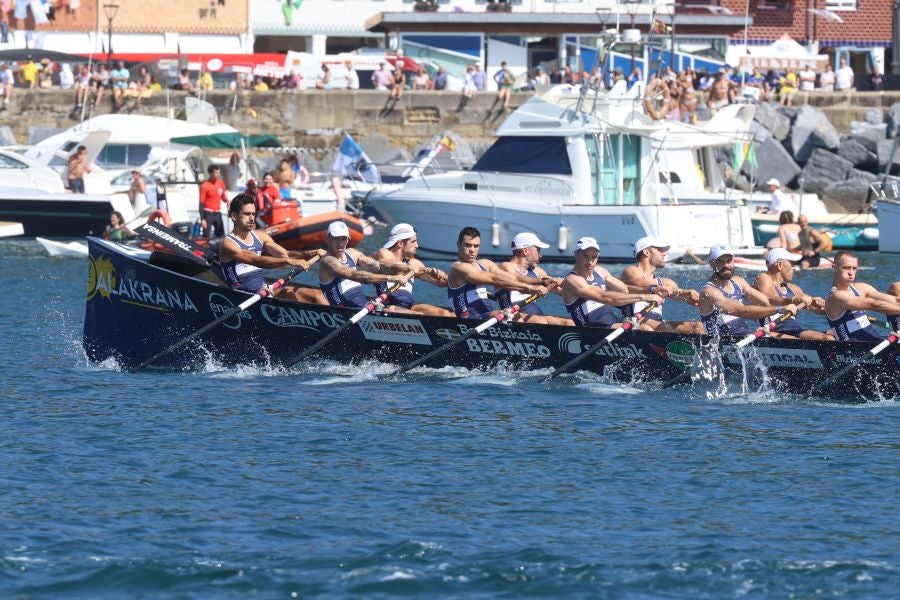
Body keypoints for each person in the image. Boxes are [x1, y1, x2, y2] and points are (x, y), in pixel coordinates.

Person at [219, 195, 325, 303]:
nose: (251, 218)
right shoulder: (228, 244)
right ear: (234, 216)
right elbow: (256, 261)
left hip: (263, 292)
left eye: (253, 214)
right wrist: (287, 261)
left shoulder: (261, 236)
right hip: (242, 298)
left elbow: (286, 254)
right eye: (247, 214)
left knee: (317, 295)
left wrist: (311, 253)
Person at [447, 227, 548, 320]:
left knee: (558, 322)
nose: (472, 250)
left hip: (487, 316)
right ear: (458, 244)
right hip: (469, 319)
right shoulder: (458, 267)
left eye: (476, 246)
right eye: (468, 245)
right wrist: (530, 288)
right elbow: (494, 279)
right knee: (512, 316)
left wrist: (541, 281)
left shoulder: (485, 263)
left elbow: (514, 277)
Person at [561, 237, 663, 328]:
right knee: (645, 329)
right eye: (586, 256)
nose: (590, 262)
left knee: (647, 328)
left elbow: (625, 289)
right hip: (591, 328)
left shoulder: (600, 271)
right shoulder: (572, 279)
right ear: (576, 254)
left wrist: (651, 289)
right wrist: (645, 297)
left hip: (613, 323)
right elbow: (604, 297)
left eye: (594, 257)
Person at [699, 245, 799, 338]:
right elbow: (741, 311)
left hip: (745, 337)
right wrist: (780, 309)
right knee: (794, 341)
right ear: (712, 263)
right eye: (720, 261)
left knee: (794, 339)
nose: (726, 265)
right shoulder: (709, 291)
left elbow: (767, 301)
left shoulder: (738, 281)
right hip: (724, 341)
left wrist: (793, 300)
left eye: (729, 260)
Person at [319, 220, 419, 311]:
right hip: (345, 310)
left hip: (363, 306)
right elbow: (356, 276)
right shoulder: (328, 261)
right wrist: (391, 278)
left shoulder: (353, 253)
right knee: (400, 311)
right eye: (336, 239)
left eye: (343, 239)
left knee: (414, 312)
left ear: (348, 240)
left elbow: (379, 267)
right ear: (327, 239)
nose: (340, 243)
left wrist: (404, 267)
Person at [619, 236, 702, 333]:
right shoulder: (630, 271)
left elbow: (679, 295)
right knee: (658, 328)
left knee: (698, 326)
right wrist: (676, 290)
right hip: (636, 321)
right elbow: (642, 283)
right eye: (659, 250)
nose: (665, 253)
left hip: (658, 323)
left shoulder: (666, 282)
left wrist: (693, 297)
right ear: (646, 252)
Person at [372, 223, 453, 316]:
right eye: (413, 241)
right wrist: (426, 270)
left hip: (408, 306)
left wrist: (450, 278)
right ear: (400, 243)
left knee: (445, 314)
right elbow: (392, 266)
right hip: (387, 306)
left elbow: (440, 282)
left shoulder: (414, 263)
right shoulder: (383, 252)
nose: (417, 245)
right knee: (414, 314)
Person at [753, 248, 833, 340]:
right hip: (770, 331)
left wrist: (823, 305)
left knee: (830, 338)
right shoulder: (762, 278)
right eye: (791, 264)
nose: (794, 268)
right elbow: (770, 299)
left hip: (794, 330)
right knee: (824, 340)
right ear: (779, 265)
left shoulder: (793, 288)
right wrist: (794, 300)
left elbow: (818, 310)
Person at [494, 232, 572, 325]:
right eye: (538, 250)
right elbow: (517, 278)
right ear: (526, 251)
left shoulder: (537, 272)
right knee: (540, 321)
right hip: (512, 316)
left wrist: (570, 286)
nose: (541, 255)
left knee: (570, 322)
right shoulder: (505, 267)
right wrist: (542, 282)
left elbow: (560, 291)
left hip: (534, 316)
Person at [825, 251, 900, 341]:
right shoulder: (836, 297)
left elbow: (895, 301)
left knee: (897, 287)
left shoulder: (862, 288)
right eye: (846, 268)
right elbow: (875, 305)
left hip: (877, 343)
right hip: (854, 349)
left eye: (854, 268)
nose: (851, 272)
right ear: (834, 268)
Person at [199, 165, 228, 238]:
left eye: (219, 173)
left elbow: (223, 196)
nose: (219, 175)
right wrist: (202, 219)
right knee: (206, 236)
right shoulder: (204, 185)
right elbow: (201, 203)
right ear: (210, 174)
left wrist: (227, 201)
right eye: (216, 173)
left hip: (218, 213)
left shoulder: (221, 183)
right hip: (208, 214)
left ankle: (220, 249)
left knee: (221, 236)